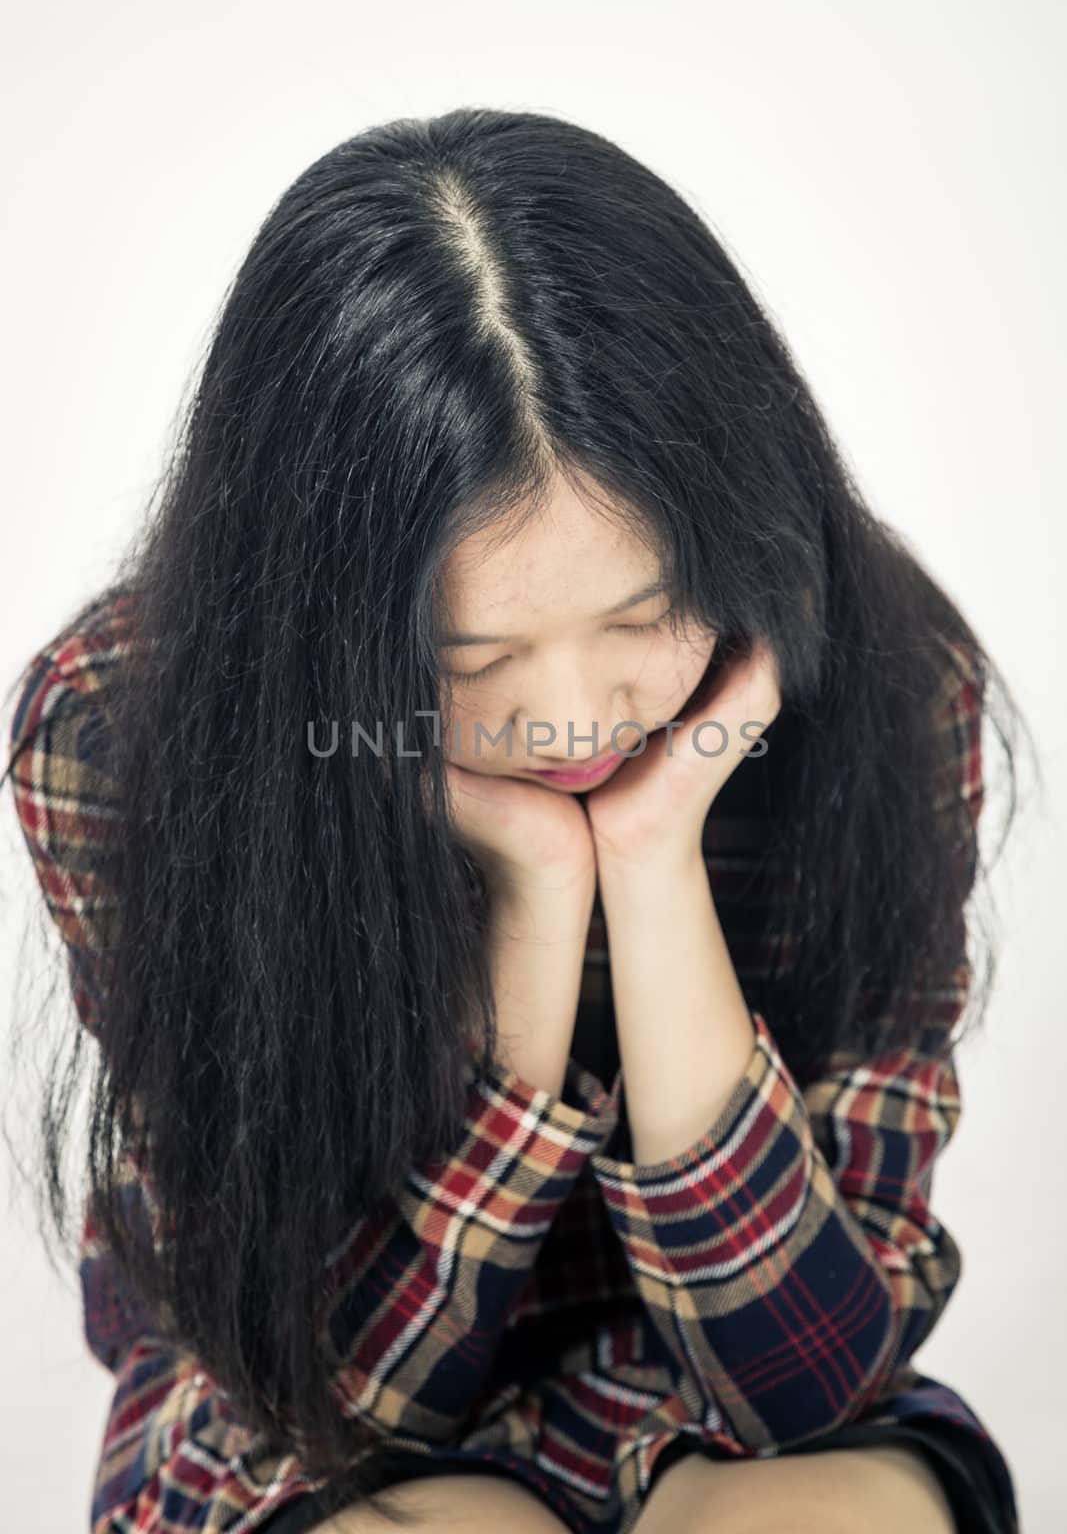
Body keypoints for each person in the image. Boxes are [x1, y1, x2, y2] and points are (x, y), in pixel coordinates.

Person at [2, 107, 1030, 1534]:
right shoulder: (123, 734)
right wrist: (537, 905)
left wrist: (655, 858)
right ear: (325, 622)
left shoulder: (888, 687)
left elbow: (808, 1388)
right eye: (469, 663)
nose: (571, 717)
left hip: (724, 1406)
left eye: (645, 616)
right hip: (297, 1421)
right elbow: (341, 1397)